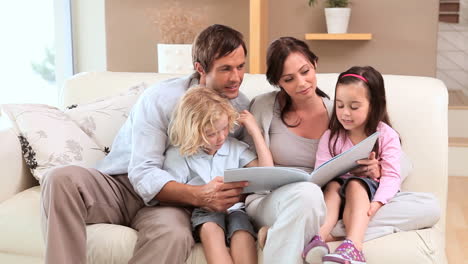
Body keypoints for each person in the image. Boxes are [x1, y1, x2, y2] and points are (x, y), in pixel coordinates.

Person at [40, 24, 251, 264]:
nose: (236, 77)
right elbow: (142, 171)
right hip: (122, 186)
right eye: (226, 69)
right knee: (60, 180)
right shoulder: (162, 97)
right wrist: (200, 195)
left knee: (173, 235)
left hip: (174, 203)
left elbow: (242, 166)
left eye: (241, 66)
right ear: (200, 69)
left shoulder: (239, 107)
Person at [244, 37, 441, 264]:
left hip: (333, 202)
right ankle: (324, 231)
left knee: (429, 206)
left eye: (305, 71)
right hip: (281, 199)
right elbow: (248, 163)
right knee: (309, 195)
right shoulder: (263, 108)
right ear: (278, 82)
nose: (301, 83)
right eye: (289, 79)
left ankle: (318, 234)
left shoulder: (340, 112)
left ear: (315, 63)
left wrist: (377, 169)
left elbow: (399, 164)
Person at [302, 66, 401, 264]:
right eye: (339, 106)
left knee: (355, 183)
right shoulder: (331, 137)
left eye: (354, 107)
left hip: (366, 195)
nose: (345, 113)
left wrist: (378, 202)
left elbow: (392, 176)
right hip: (336, 199)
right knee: (333, 185)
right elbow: (320, 174)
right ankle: (318, 238)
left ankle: (354, 246)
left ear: (373, 105)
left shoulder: (386, 135)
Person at [163, 87, 273, 264]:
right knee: (210, 228)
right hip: (204, 209)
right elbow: (172, 192)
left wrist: (255, 132)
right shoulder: (180, 154)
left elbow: (267, 175)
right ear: (192, 132)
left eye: (224, 129)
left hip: (237, 208)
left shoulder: (234, 147)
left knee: (242, 232)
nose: (221, 137)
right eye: (211, 134)